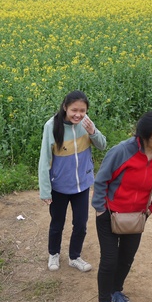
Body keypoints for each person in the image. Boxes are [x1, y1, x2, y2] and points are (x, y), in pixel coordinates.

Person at [91, 111, 152, 302]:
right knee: (109, 259)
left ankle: (117, 291)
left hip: (137, 217)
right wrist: (100, 209)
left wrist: (150, 210)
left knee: (127, 257)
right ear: (145, 137)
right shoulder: (121, 151)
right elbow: (101, 181)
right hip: (109, 215)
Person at [38, 90, 107, 273]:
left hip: (82, 185)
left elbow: (102, 145)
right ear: (65, 107)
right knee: (57, 223)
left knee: (81, 224)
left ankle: (75, 257)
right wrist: (45, 190)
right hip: (59, 187)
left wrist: (92, 131)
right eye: (74, 110)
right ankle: (53, 253)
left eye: (82, 110)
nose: (78, 114)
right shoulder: (51, 126)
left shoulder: (86, 124)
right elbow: (45, 160)